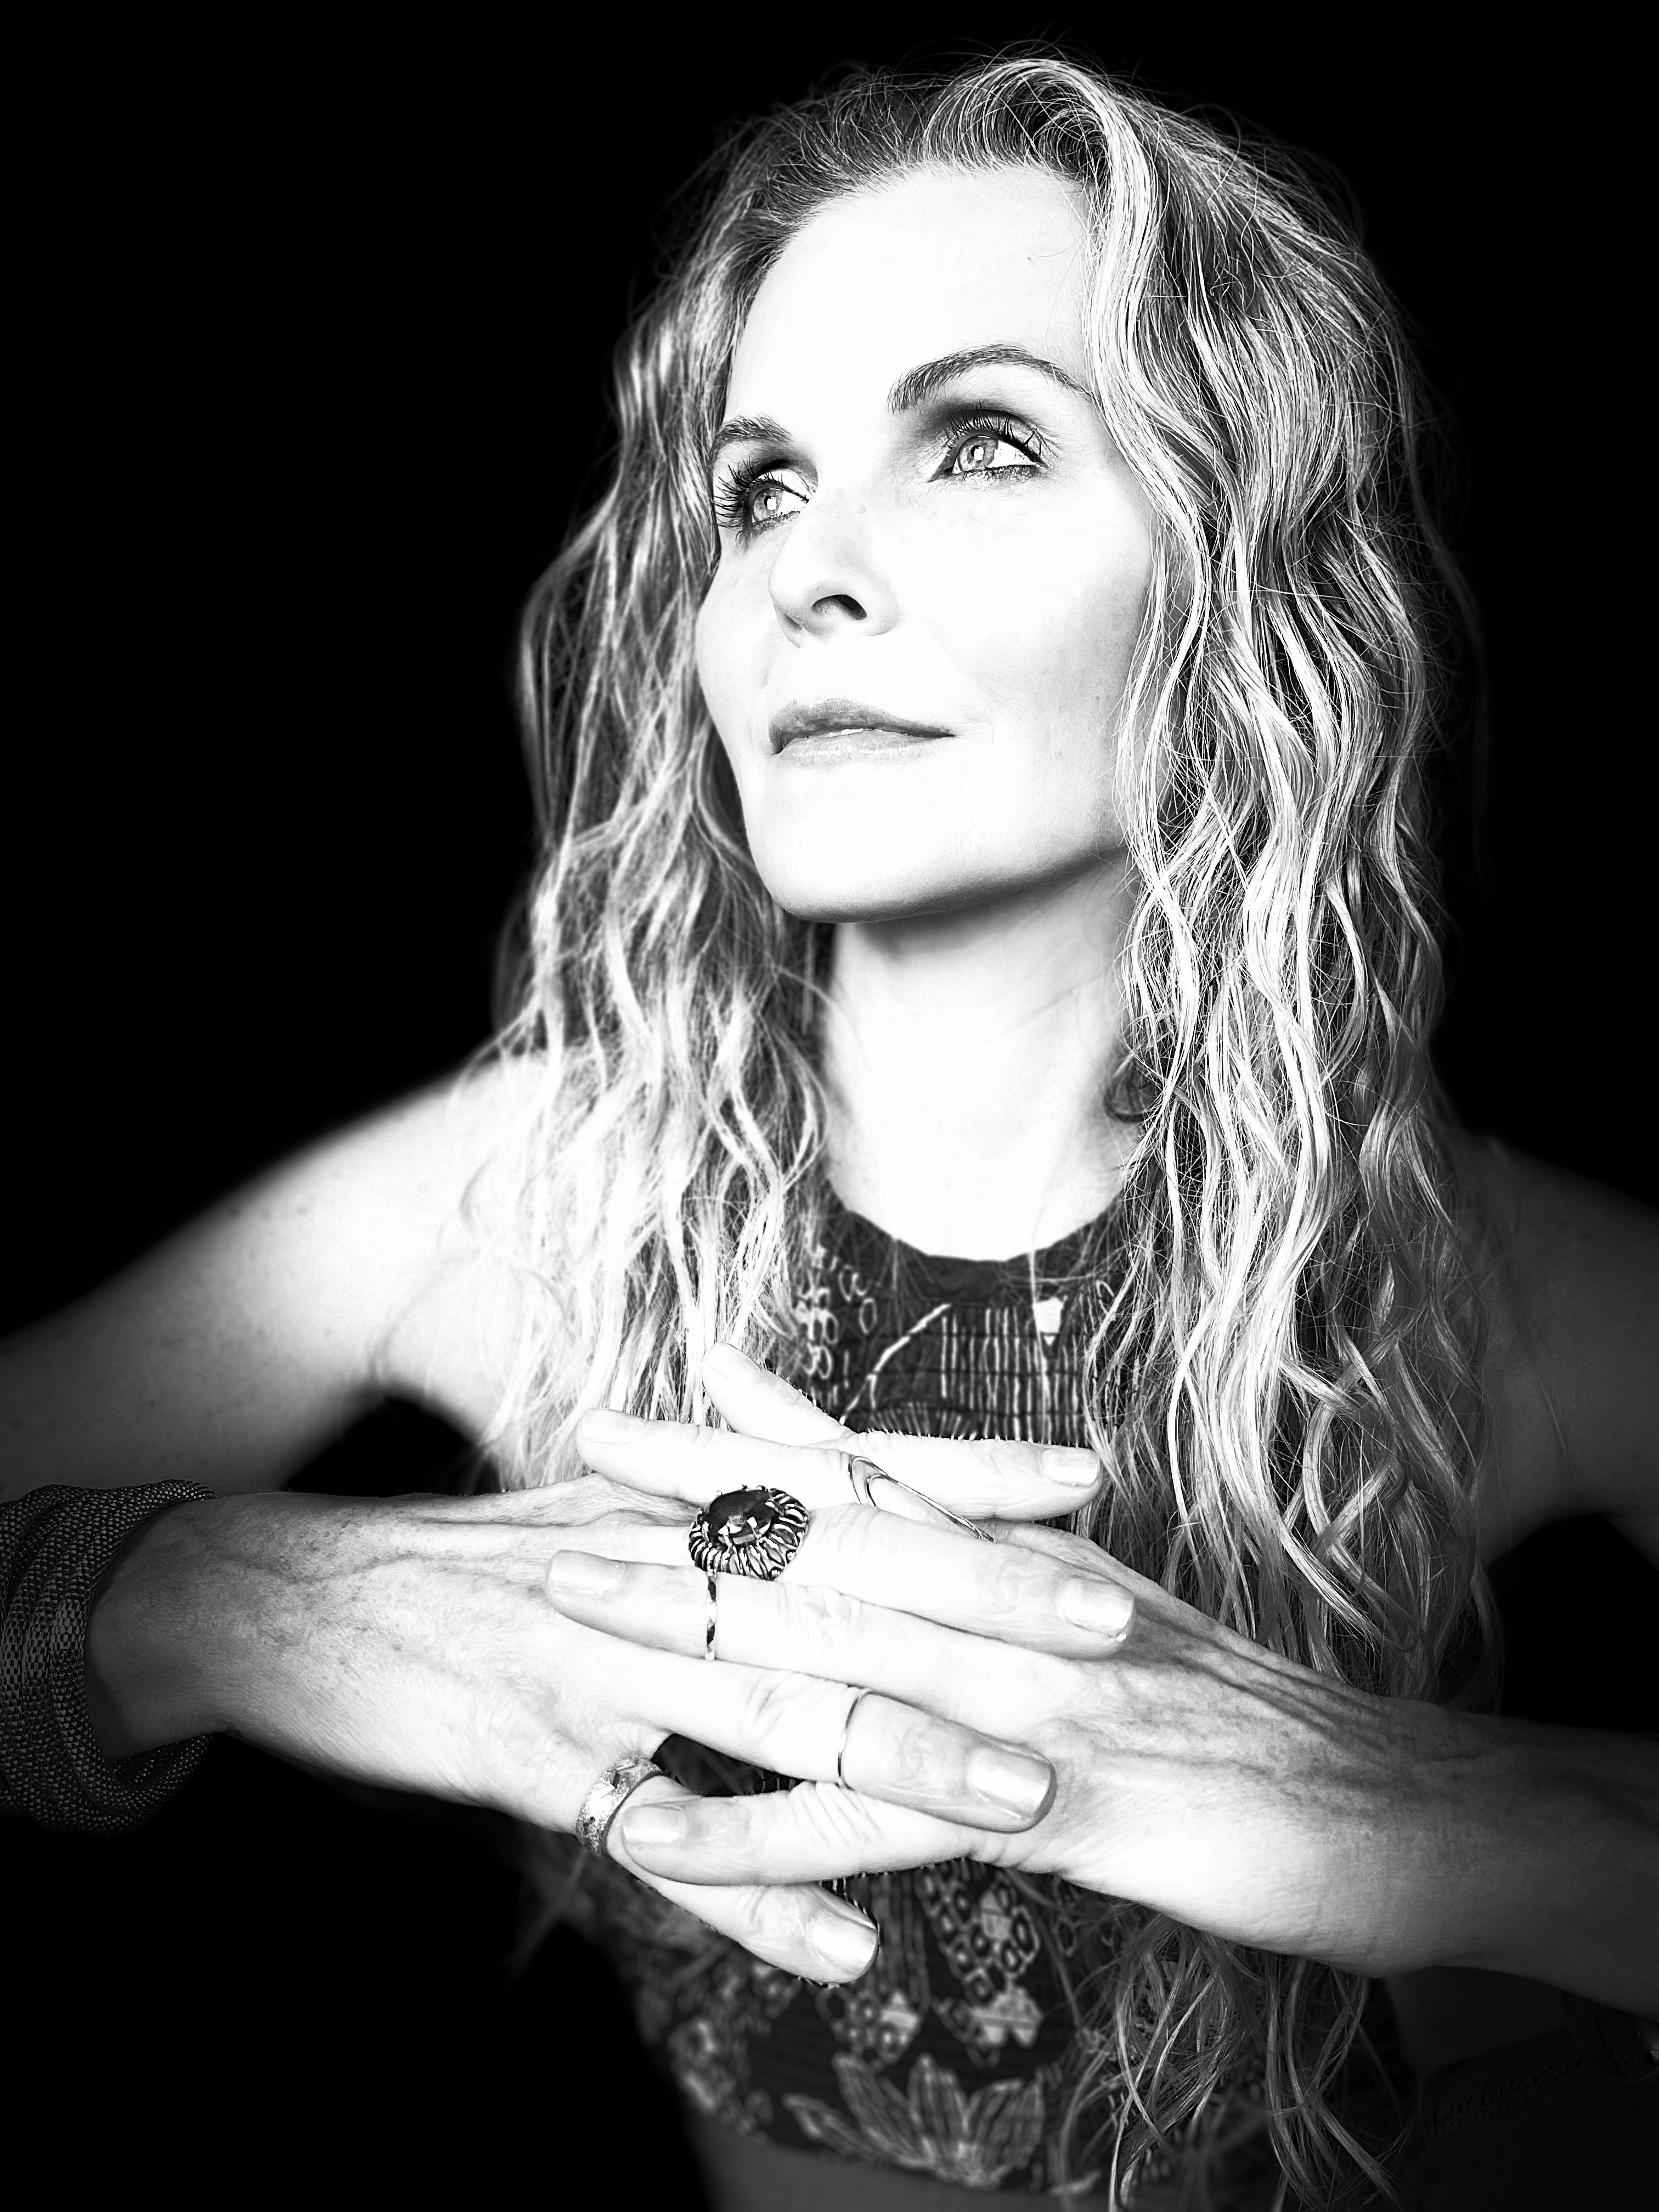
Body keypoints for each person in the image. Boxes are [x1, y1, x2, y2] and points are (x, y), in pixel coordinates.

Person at [3, 49, 1655, 2211]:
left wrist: (1432, 1818)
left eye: (981, 443)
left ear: (1245, 590)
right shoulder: (526, 1201)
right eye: (762, 485)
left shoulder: (1496, 1290)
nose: (804, 570)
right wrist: (210, 1599)